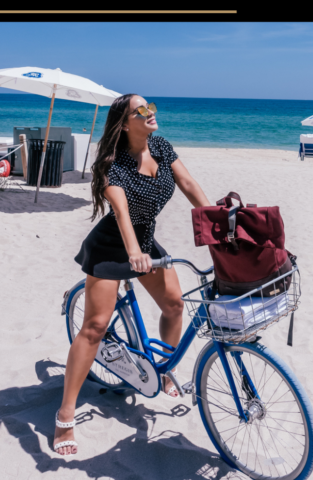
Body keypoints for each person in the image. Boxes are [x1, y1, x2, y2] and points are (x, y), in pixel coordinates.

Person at [54, 94, 211, 456]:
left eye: (151, 107)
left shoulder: (161, 146)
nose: (150, 113)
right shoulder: (112, 165)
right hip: (113, 246)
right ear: (125, 124)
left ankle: (163, 369)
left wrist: (215, 219)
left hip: (144, 241)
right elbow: (121, 213)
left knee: (174, 306)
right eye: (140, 111)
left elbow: (188, 184)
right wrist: (134, 253)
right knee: (94, 327)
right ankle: (65, 415)